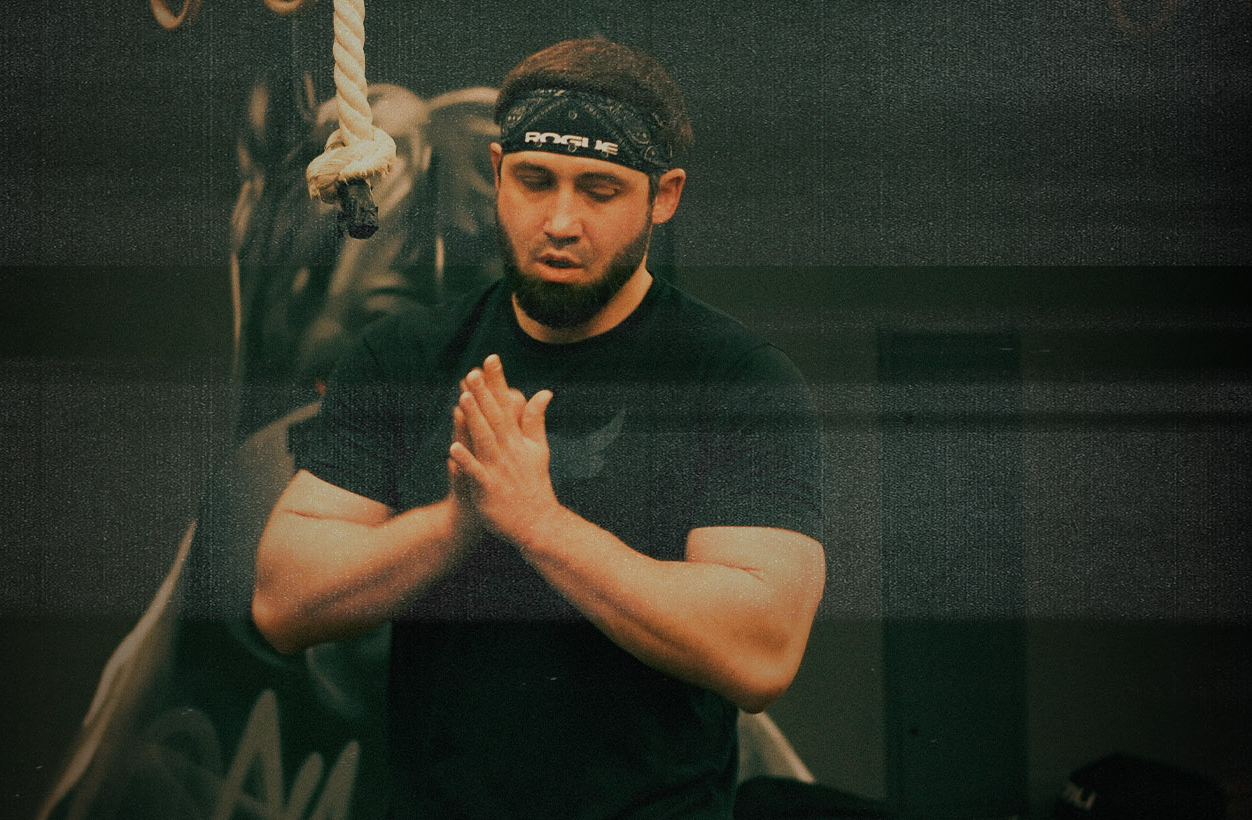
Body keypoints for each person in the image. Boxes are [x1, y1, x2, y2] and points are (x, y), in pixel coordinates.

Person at [251, 37, 826, 819]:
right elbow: (282, 602)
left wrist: (539, 525)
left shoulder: (734, 380)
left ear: (663, 197)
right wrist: (456, 523)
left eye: (600, 190)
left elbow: (761, 654)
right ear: (498, 174)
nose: (560, 221)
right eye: (534, 181)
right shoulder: (405, 358)